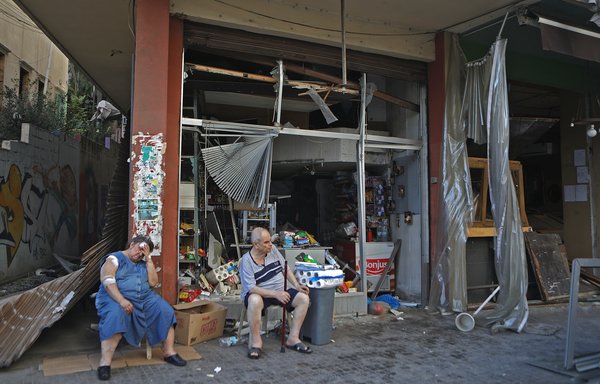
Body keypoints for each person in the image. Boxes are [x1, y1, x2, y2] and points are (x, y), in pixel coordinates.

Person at [95, 235, 186, 380]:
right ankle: (105, 363)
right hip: (115, 297)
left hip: (144, 298)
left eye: (143, 252)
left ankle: (169, 352)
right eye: (139, 250)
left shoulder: (144, 262)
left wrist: (148, 259)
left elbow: (153, 283)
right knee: (115, 315)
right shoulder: (114, 259)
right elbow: (107, 280)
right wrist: (122, 300)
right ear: (132, 244)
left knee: (165, 310)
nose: (139, 255)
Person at [239, 227, 313, 359]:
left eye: (270, 241)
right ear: (256, 245)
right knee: (254, 299)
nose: (270, 244)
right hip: (260, 293)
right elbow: (252, 288)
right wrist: (275, 294)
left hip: (280, 290)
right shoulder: (246, 261)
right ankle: (256, 342)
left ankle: (293, 338)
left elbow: (286, 268)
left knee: (303, 298)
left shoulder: (272, 251)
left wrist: (296, 285)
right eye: (266, 242)